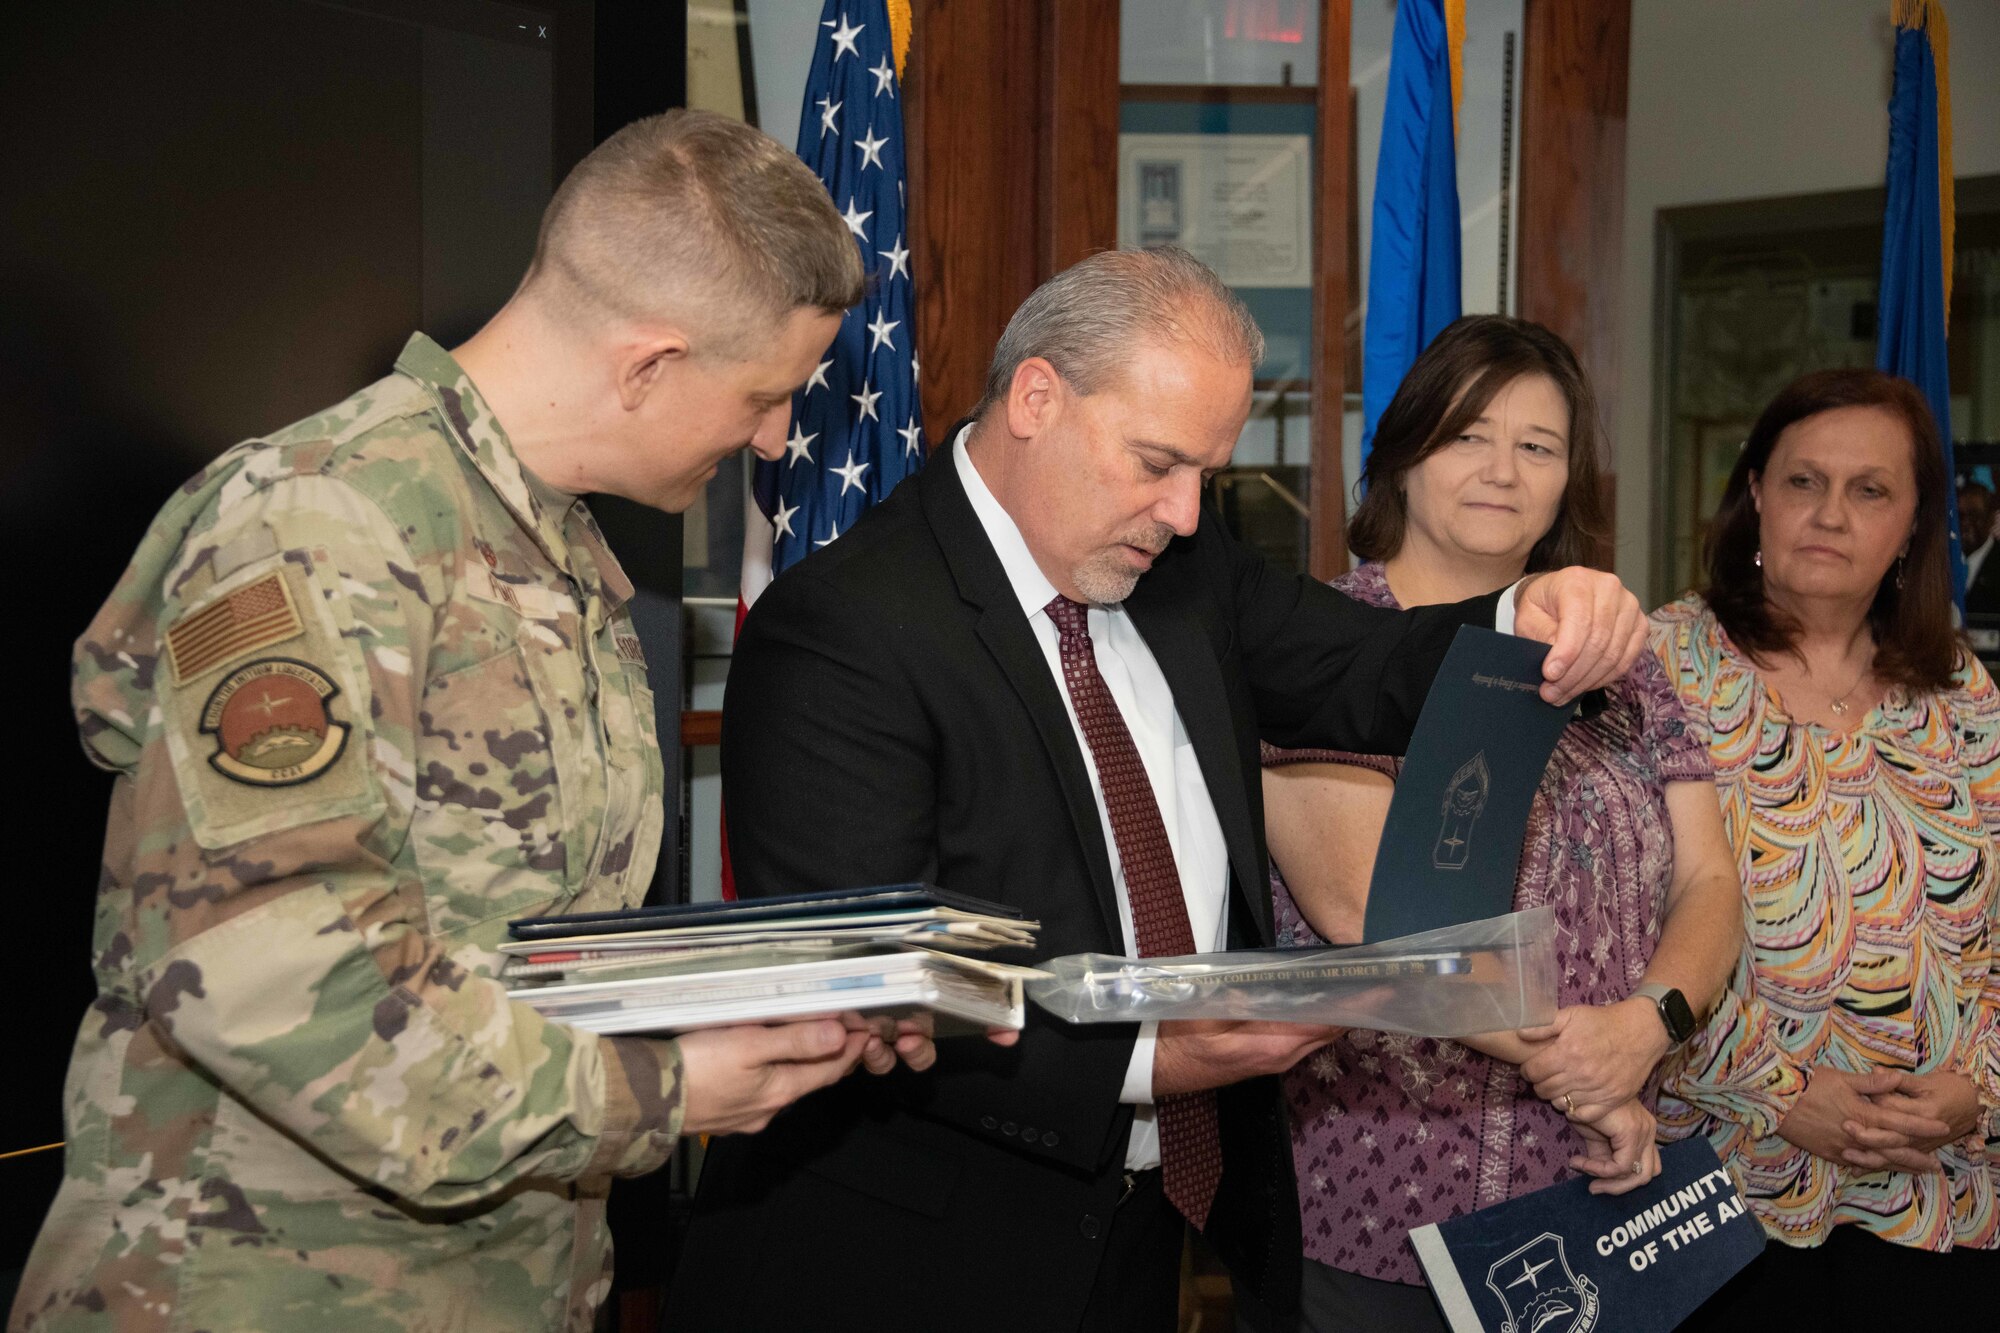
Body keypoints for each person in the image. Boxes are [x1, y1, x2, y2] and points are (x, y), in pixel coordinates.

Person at [11, 110, 976, 1333]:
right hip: (252, 1289)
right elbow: (266, 963)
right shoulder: (317, 522)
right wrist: (659, 1087)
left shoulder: (555, 544)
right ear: (647, 363)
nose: (777, 437)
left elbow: (510, 935)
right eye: (766, 395)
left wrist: (761, 998)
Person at [666, 249, 1650, 1331]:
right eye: (1155, 462)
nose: (1185, 511)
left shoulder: (1178, 568)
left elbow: (1360, 665)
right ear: (1036, 397)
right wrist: (1150, 1057)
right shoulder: (847, 628)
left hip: (1137, 1241)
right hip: (908, 1257)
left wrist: (1528, 615)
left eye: (1206, 476)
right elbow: (877, 988)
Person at [1236, 316, 1746, 1332]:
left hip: (1606, 1188)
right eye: (1468, 433)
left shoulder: (1624, 662)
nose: (1500, 469)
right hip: (1379, 1198)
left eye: (1537, 446)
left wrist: (1646, 1028)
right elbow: (1364, 913)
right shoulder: (1318, 646)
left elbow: (1708, 882)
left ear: (1568, 484)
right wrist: (1584, 1071)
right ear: (1403, 451)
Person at [1652, 368, 2000, 1325]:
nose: (1831, 515)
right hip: (1728, 1191)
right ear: (1756, 491)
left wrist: (1979, 1088)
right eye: (1804, 482)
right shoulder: (1657, 667)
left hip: (1941, 1194)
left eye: (1870, 490)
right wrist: (1778, 1092)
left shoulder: (1960, 689)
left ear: (1915, 523)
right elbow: (1609, 937)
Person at [1957, 479, 2000, 614]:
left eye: (1974, 516)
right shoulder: (1940, 560)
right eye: (1960, 516)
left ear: (1991, 519)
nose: (1965, 523)